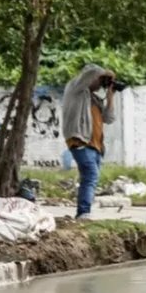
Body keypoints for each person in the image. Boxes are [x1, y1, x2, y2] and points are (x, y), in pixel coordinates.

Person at [61, 64, 116, 220]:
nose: (100, 84)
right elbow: (92, 71)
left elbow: (109, 118)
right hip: (80, 142)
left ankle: (84, 212)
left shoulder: (95, 98)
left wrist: (110, 94)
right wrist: (107, 73)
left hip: (96, 145)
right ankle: (83, 212)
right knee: (90, 175)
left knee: (92, 177)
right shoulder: (75, 89)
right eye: (100, 80)